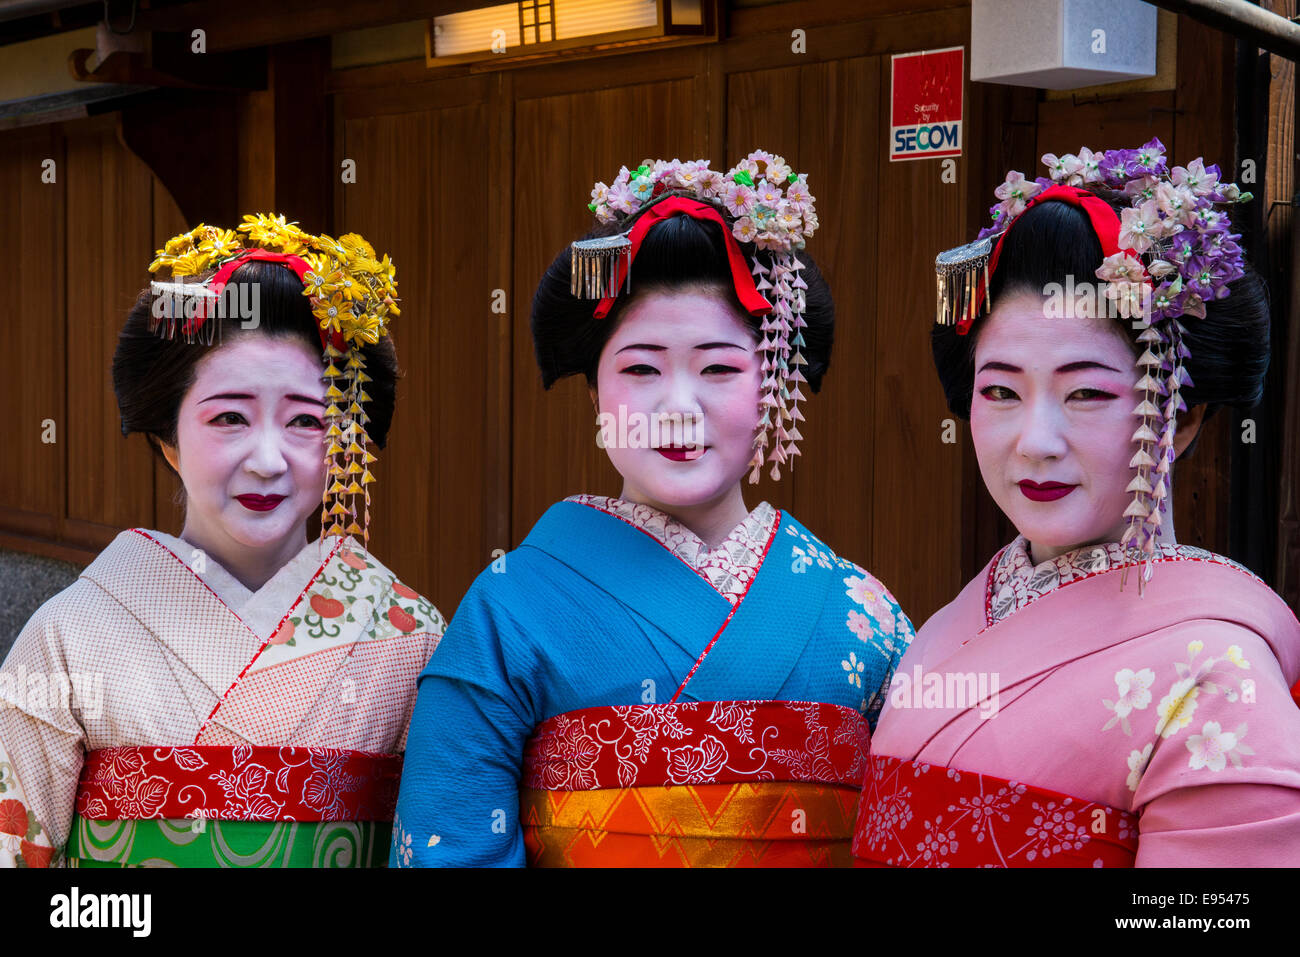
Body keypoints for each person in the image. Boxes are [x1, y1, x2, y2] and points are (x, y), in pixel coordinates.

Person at [392, 152, 913, 867]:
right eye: (640, 368)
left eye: (720, 368)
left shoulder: (864, 614)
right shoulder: (509, 610)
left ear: (774, 384)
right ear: (594, 391)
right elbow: (448, 844)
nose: (677, 407)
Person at [853, 141, 1300, 867]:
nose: (1035, 441)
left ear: (1179, 415)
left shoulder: (1220, 675)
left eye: (1086, 392)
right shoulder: (940, 633)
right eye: (1000, 391)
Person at [0, 215, 445, 867]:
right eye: (230, 417)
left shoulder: (409, 639)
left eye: (304, 421)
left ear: (343, 442)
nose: (267, 459)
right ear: (168, 436)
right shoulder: (70, 636)